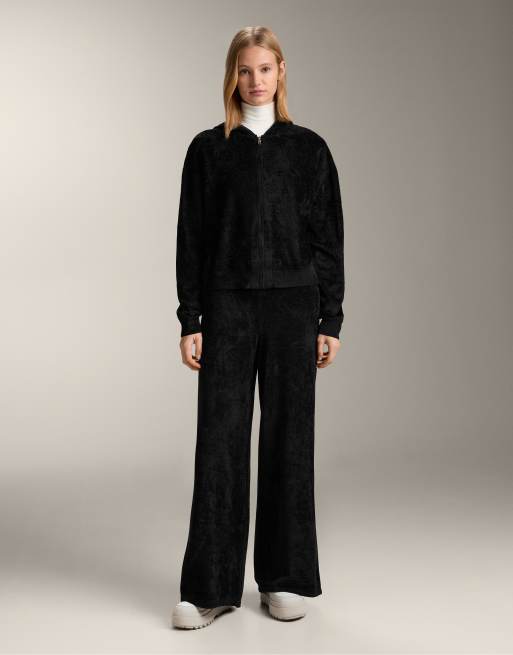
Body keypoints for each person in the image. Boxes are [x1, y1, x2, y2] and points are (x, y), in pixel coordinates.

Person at [171, 26, 345, 630]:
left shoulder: (309, 149)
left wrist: (331, 317)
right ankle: (210, 587)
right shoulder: (208, 149)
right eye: (244, 70)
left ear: (281, 72)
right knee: (219, 443)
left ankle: (284, 578)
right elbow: (191, 239)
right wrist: (190, 317)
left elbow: (328, 238)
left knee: (289, 441)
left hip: (295, 309)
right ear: (232, 75)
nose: (255, 80)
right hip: (228, 309)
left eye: (264, 69)